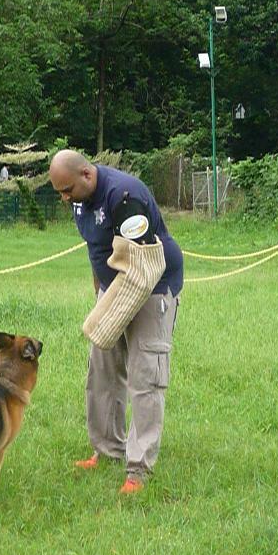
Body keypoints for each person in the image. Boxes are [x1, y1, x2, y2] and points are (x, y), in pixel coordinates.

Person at [49, 150, 182, 494]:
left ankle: (138, 470)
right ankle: (107, 449)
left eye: (67, 191)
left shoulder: (125, 196)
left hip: (152, 285)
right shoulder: (81, 198)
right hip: (114, 287)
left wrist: (117, 314)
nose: (64, 199)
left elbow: (141, 264)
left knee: (145, 374)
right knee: (102, 370)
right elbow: (97, 250)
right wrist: (100, 296)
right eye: (59, 192)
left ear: (86, 176)